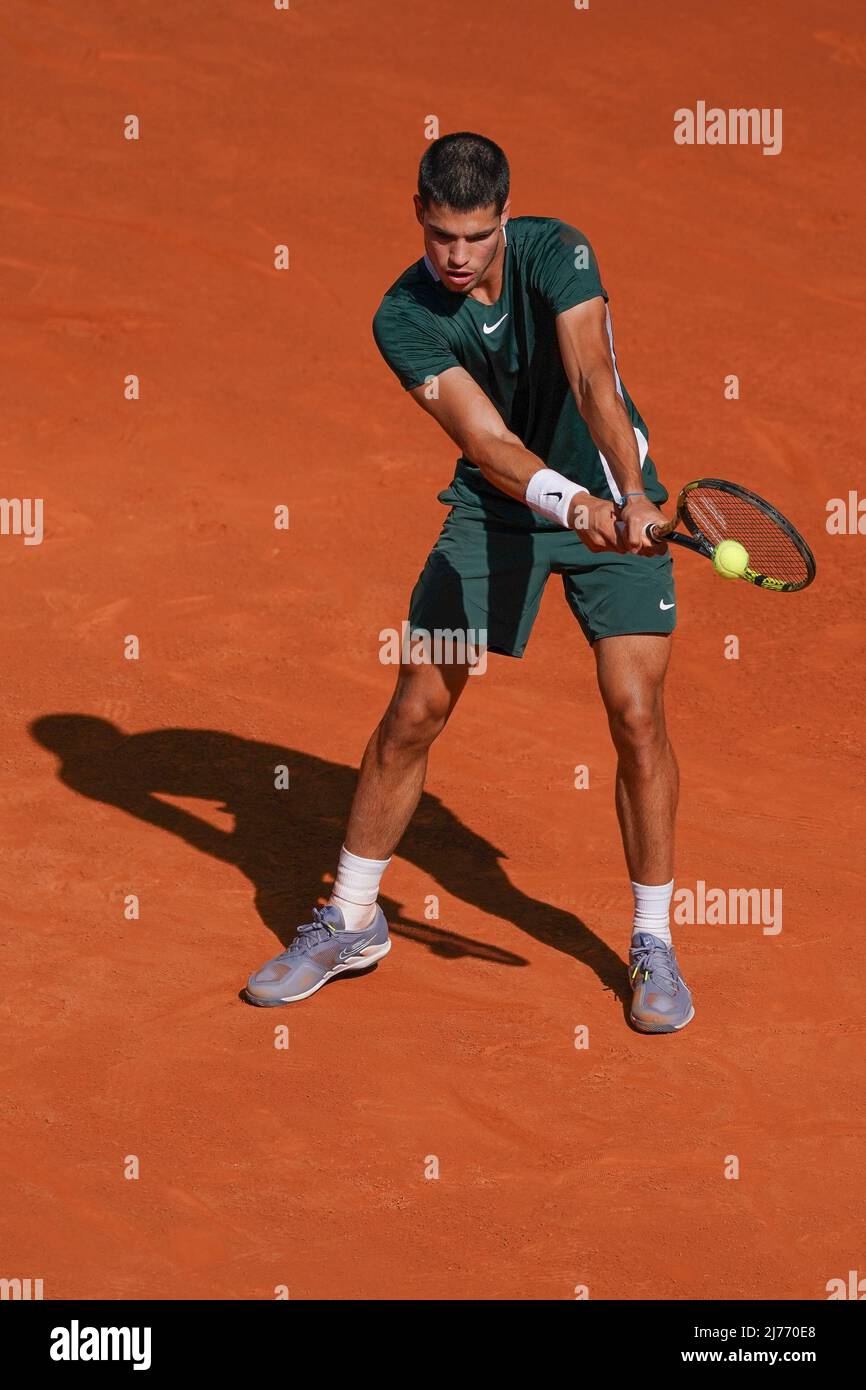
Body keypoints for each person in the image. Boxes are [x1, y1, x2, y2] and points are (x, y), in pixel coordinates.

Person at [245, 132, 693, 1033]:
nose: (457, 256)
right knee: (415, 707)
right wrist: (575, 507)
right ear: (419, 214)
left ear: (505, 218)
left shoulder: (558, 250)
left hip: (612, 497)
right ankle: (354, 919)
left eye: (477, 237)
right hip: (502, 507)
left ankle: (653, 940)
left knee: (636, 712)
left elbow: (591, 375)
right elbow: (486, 444)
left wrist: (631, 494)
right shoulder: (402, 317)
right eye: (442, 235)